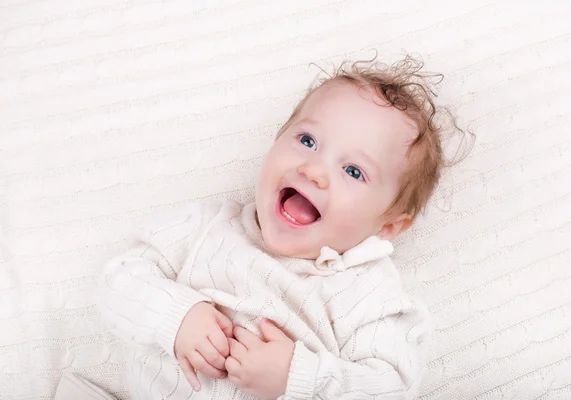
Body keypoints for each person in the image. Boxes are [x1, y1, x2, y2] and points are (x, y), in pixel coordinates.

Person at [68, 56, 463, 400]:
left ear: (390, 226)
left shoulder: (367, 293)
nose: (314, 170)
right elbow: (119, 279)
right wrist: (176, 316)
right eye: (307, 140)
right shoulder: (209, 226)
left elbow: (392, 388)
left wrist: (299, 377)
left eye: (353, 171)